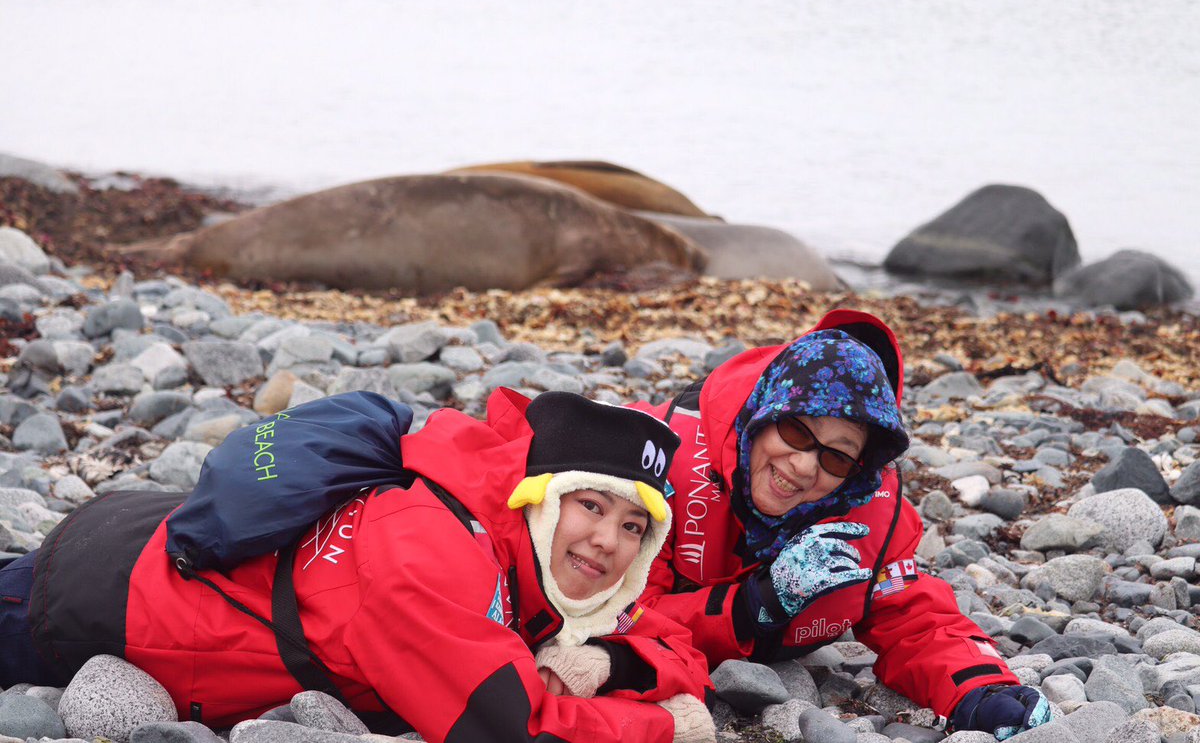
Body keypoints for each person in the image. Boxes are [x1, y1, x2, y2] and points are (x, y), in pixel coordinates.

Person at [1, 389, 716, 743]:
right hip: (94, 601)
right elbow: (511, 729)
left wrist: (612, 667)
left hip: (133, 530)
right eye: (590, 505)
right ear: (541, 497)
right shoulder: (435, 562)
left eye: (634, 526)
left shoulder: (507, 528)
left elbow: (670, 629)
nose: (608, 542)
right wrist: (664, 726)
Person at [631, 309, 1051, 740]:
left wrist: (981, 689)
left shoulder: (867, 504)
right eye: (796, 431)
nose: (802, 466)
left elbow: (914, 618)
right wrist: (754, 605)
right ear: (762, 413)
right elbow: (615, 612)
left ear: (860, 466)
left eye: (836, 456)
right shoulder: (654, 460)